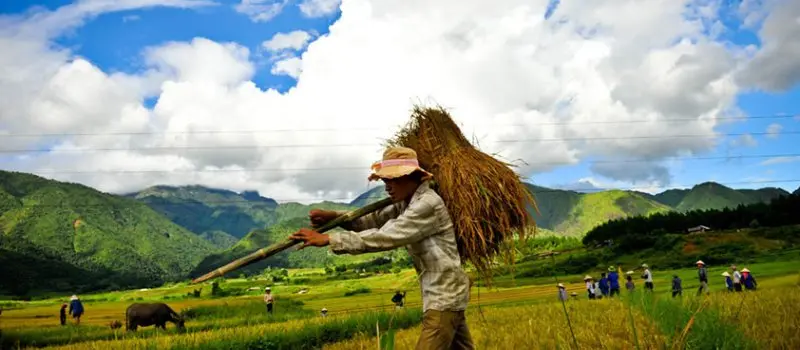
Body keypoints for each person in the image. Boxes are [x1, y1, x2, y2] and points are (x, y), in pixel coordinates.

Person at [290, 146, 474, 350]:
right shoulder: (405, 204)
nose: (388, 187)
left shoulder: (427, 204)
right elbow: (372, 221)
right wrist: (336, 217)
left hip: (444, 298)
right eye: (385, 181)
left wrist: (329, 239)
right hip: (446, 294)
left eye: (393, 180)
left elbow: (386, 235)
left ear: (411, 176)